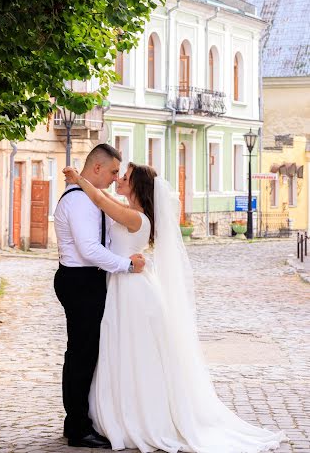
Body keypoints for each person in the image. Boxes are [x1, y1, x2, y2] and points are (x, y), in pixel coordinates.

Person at [62, 161, 287, 453]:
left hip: (133, 290)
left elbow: (100, 199)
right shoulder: (130, 210)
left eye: (124, 177)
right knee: (118, 350)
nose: (118, 179)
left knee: (134, 352)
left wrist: (79, 178)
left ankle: (140, 417)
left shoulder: (137, 219)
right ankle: (115, 412)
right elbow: (105, 201)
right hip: (121, 284)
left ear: (136, 186)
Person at [54, 144, 145, 450]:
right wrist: (127, 266)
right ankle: (79, 428)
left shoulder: (89, 195)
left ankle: (76, 422)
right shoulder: (79, 202)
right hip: (80, 280)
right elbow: (89, 250)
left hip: (88, 280)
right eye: (113, 172)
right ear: (96, 169)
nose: (115, 178)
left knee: (85, 353)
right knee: (81, 355)